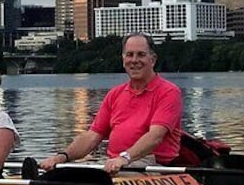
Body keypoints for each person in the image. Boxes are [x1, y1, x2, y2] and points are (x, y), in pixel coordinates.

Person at [40, 32, 182, 175]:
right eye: (129, 55)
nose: (134, 60)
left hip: (153, 166)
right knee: (64, 175)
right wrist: (62, 157)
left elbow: (155, 136)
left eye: (141, 55)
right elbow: (92, 136)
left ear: (153, 59)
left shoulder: (168, 92)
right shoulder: (115, 94)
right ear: (123, 59)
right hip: (116, 163)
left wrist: (124, 158)